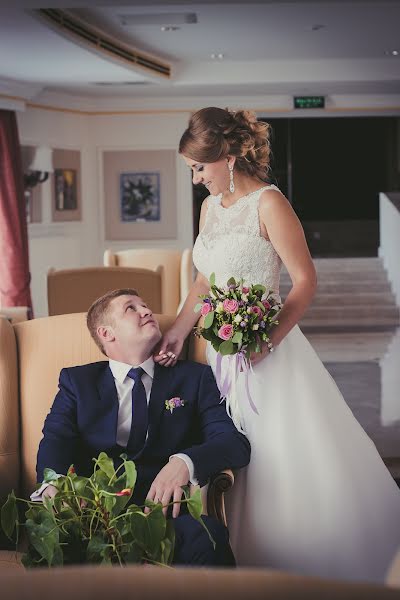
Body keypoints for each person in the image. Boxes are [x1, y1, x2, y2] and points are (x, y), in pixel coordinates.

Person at [154, 106, 400, 583]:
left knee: (281, 462)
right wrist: (181, 330)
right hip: (219, 357)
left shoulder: (269, 203)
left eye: (198, 168)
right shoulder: (208, 208)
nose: (194, 179)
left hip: (269, 356)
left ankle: (304, 567)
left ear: (225, 156)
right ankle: (244, 566)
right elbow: (204, 282)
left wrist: (266, 340)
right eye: (191, 170)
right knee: (230, 453)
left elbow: (305, 282)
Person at [34, 287, 251, 567]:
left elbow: (234, 442)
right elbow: (55, 439)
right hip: (95, 518)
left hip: (165, 519)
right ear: (106, 334)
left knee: (209, 537)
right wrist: (54, 485)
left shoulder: (193, 378)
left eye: (145, 305)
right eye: (130, 308)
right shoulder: (78, 382)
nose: (146, 311)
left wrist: (185, 462)